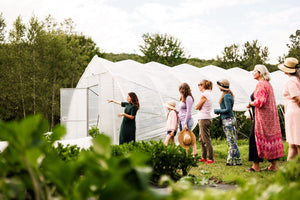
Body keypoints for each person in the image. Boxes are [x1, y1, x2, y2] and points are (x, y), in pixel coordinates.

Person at [246, 64, 284, 172]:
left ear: (260, 73)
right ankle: (273, 166)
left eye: (254, 71)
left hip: (262, 117)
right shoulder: (268, 84)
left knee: (254, 138)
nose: (253, 73)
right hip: (271, 116)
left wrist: (250, 103)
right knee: (270, 139)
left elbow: (260, 101)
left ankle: (255, 166)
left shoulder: (261, 84)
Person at [214, 79, 241, 166]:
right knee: (232, 141)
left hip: (227, 120)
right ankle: (238, 160)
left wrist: (218, 110)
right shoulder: (228, 95)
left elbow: (228, 109)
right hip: (229, 119)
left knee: (231, 141)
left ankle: (229, 160)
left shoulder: (226, 96)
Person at [278, 58, 300, 161]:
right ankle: (289, 172)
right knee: (292, 144)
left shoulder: (291, 81)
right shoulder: (297, 79)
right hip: (293, 112)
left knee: (297, 143)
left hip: (295, 113)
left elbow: (297, 98)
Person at [195, 79, 214, 164]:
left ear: (202, 86)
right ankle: (204, 157)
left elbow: (197, 107)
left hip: (203, 118)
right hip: (205, 118)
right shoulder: (209, 93)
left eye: (198, 84)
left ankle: (210, 158)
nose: (198, 86)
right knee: (201, 139)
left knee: (205, 139)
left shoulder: (204, 95)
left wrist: (197, 105)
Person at [178, 83, 196, 156]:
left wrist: (185, 123)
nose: (180, 91)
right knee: (184, 138)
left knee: (189, 138)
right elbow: (181, 110)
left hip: (186, 120)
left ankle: (193, 153)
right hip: (181, 120)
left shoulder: (189, 98)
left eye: (180, 89)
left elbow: (188, 111)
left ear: (184, 90)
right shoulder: (182, 98)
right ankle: (186, 154)